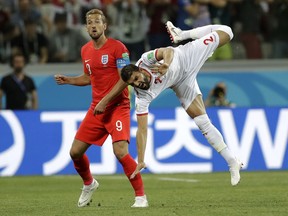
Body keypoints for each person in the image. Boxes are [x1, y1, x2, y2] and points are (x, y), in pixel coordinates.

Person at [95, 21, 243, 186]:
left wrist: (165, 64)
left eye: (137, 79)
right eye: (133, 84)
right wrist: (141, 159)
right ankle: (232, 162)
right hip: (181, 82)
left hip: (186, 56)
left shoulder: (146, 61)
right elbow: (142, 130)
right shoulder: (142, 97)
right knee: (202, 121)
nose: (138, 84)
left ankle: (183, 35)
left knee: (227, 31)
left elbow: (167, 51)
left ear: (140, 71)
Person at [54, 9, 148, 208]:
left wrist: (105, 101)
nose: (93, 25)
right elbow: (89, 77)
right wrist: (69, 80)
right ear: (86, 27)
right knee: (75, 152)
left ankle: (141, 196)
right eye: (89, 22)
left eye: (97, 21)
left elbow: (126, 78)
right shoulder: (85, 50)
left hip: (117, 107)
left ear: (105, 26)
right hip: (97, 109)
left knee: (120, 151)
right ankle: (89, 183)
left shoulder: (118, 48)